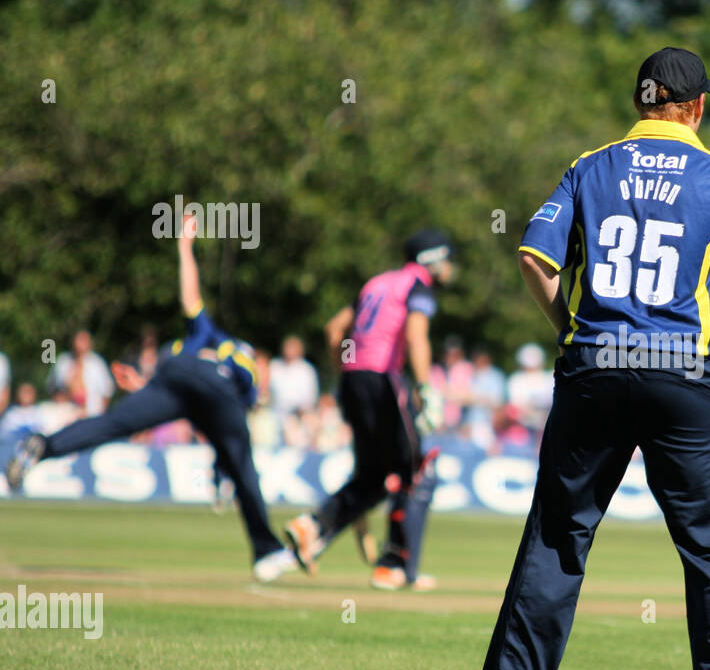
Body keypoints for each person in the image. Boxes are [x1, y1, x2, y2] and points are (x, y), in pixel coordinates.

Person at [477, 47, 710, 670]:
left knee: (559, 532)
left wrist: (569, 332)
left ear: (641, 102)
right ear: (698, 106)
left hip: (595, 367)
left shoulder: (591, 165)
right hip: (684, 376)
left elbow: (534, 256)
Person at [4, 213, 294, 578]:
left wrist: (184, 245)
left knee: (113, 423)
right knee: (244, 466)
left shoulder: (207, 333)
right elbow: (225, 422)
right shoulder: (246, 365)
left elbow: (190, 297)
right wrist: (226, 471)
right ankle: (266, 551)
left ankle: (42, 446)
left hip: (174, 376)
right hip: (212, 386)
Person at [280, 229, 454, 591]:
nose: (450, 267)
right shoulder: (418, 285)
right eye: (446, 258)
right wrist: (425, 388)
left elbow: (334, 329)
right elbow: (416, 335)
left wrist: (345, 369)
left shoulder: (376, 283)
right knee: (417, 469)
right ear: (432, 259)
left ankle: (313, 525)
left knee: (374, 476)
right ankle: (394, 566)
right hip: (383, 380)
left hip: (354, 378)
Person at [50, 330, 114, 416]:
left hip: (91, 414)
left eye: (84, 340)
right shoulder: (63, 361)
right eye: (79, 340)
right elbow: (53, 387)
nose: (80, 344)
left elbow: (107, 392)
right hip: (66, 414)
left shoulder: (97, 363)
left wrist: (101, 415)